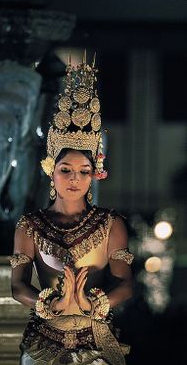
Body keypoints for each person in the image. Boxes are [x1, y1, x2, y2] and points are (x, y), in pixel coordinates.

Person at [10, 53, 134, 365]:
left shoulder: (110, 223)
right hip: (45, 339)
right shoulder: (30, 225)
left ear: (94, 174)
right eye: (66, 169)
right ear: (51, 170)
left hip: (96, 339)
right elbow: (17, 285)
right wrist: (48, 305)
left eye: (83, 171)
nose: (75, 179)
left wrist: (94, 305)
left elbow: (125, 284)